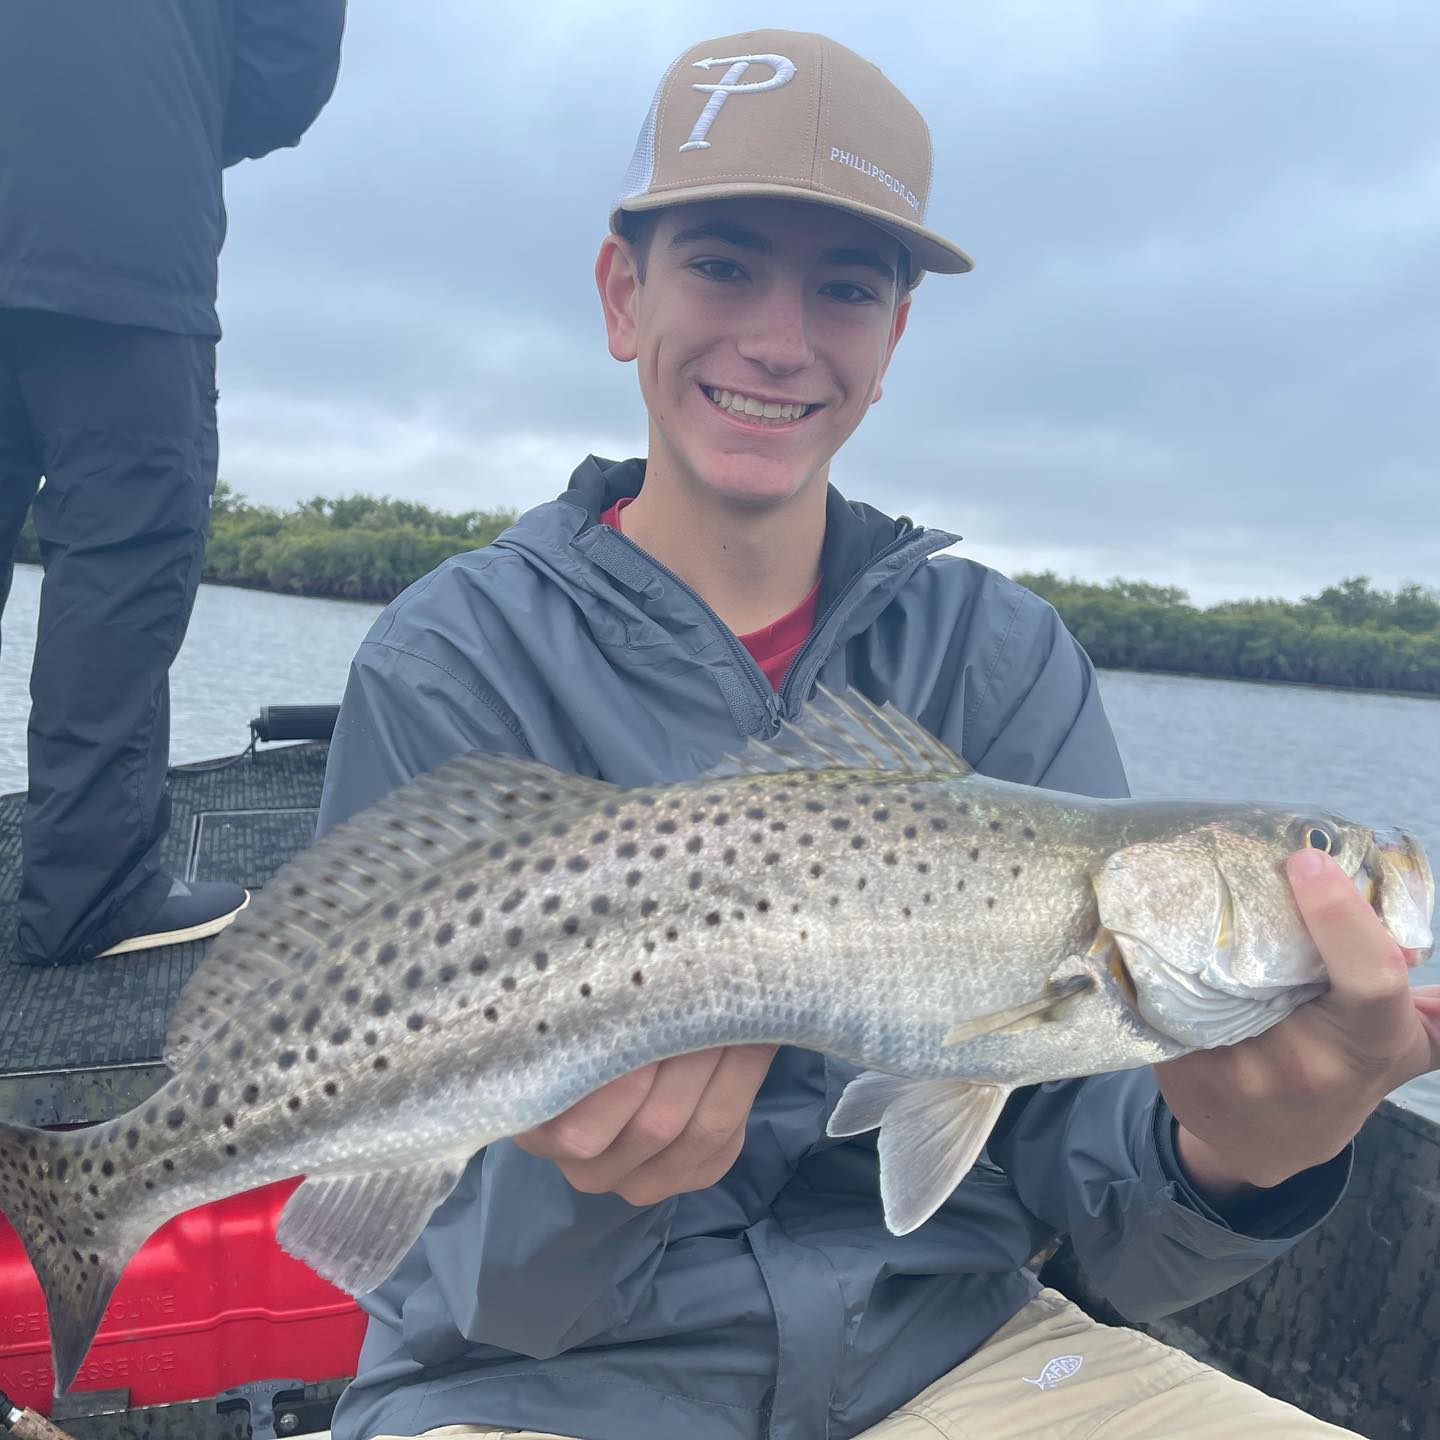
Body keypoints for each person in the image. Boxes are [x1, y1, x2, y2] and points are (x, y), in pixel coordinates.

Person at [315, 30, 1438, 1440]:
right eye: (724, 264)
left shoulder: (1004, 653)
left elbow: (1108, 1227)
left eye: (845, 287)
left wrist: (1246, 1157)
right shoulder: (451, 655)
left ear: (894, 339)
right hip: (538, 1383)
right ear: (622, 293)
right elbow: (454, 1282)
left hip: (960, 1360)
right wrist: (577, 1180)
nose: (781, 338)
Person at [0, 0, 347, 965]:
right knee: (119, 560)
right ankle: (92, 893)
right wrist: (157, 121)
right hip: (120, 234)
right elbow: (287, 71)